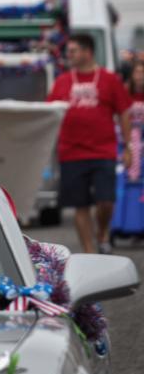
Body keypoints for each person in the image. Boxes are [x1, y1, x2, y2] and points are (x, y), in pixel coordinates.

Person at [46, 34, 132, 254]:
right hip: (71, 152)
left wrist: (128, 146)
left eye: (73, 51)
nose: (69, 55)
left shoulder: (109, 79)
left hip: (103, 151)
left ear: (88, 52)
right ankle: (89, 251)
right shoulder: (63, 80)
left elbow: (123, 113)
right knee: (80, 205)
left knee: (106, 201)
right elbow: (50, 113)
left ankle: (102, 231)